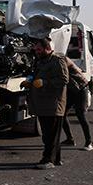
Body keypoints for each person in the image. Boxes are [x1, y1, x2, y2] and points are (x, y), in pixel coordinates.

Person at [22, 37, 69, 169]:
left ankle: (48, 160)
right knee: (50, 134)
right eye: (35, 49)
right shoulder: (41, 61)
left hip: (53, 104)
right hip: (43, 104)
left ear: (47, 48)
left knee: (50, 135)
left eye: (39, 49)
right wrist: (30, 81)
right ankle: (57, 158)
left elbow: (64, 79)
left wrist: (45, 83)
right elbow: (36, 75)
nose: (36, 51)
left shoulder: (57, 61)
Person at [60, 57, 93, 151]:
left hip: (81, 89)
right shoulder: (55, 61)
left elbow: (64, 77)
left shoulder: (64, 60)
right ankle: (70, 139)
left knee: (81, 115)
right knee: (62, 114)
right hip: (71, 90)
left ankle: (89, 142)